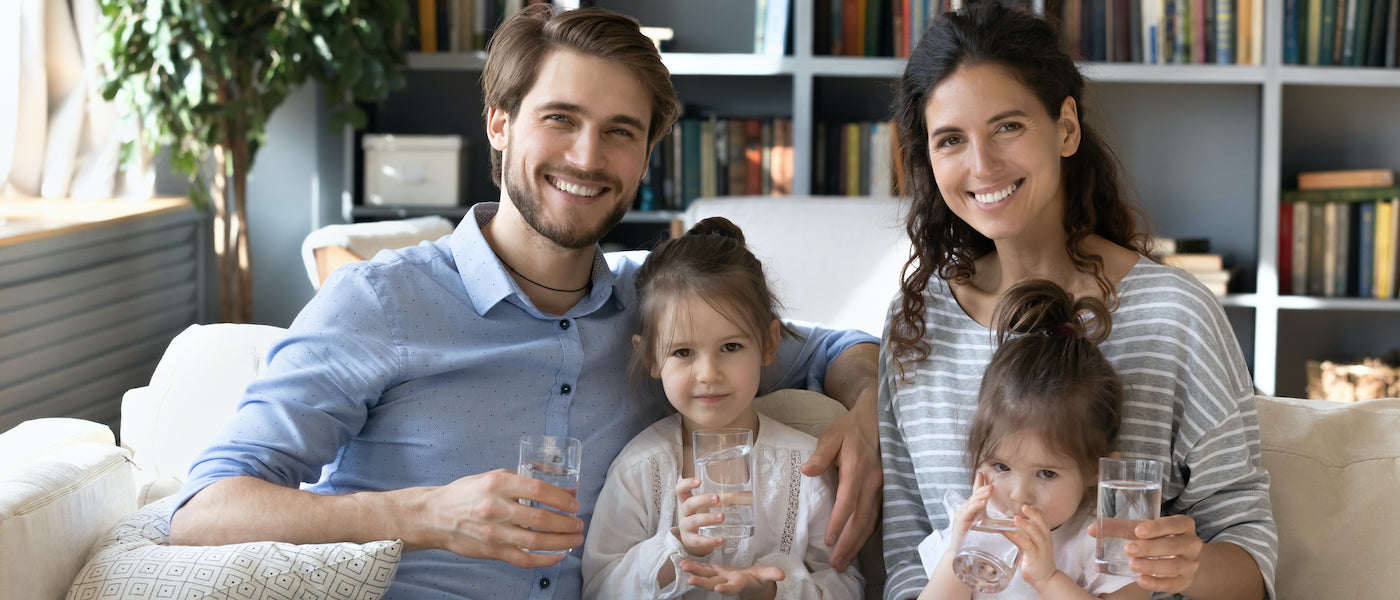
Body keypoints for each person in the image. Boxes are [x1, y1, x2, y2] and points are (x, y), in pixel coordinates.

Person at [167, 7, 882, 600]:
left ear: (644, 157)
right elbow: (204, 514)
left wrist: (867, 415)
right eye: (561, 119)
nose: (587, 156)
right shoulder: (382, 302)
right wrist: (422, 514)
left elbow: (831, 349)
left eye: (620, 132)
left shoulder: (662, 310)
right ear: (500, 124)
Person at [878, 4, 1276, 600]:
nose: (982, 165)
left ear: (1066, 127)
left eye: (1008, 126)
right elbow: (908, 556)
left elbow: (1251, 550)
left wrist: (1188, 568)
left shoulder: (1176, 316)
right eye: (951, 139)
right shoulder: (918, 323)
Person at [582, 217, 865, 600]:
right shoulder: (639, 470)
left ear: (768, 344)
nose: (709, 373)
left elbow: (845, 586)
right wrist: (677, 546)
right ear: (649, 356)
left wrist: (770, 589)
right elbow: (600, 588)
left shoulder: (806, 469)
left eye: (730, 347)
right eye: (683, 352)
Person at [915, 279, 1144, 600]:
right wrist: (957, 550)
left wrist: (1048, 578)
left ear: (1097, 469)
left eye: (1046, 473)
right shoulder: (975, 525)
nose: (1019, 494)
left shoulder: (1107, 537)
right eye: (1001, 466)